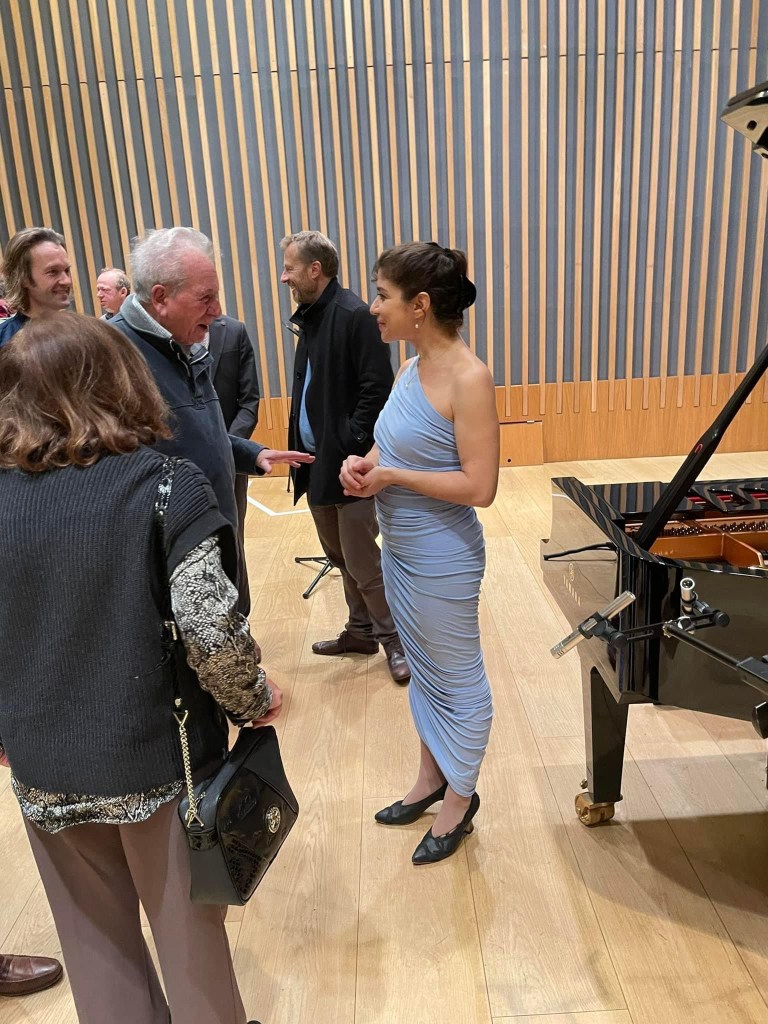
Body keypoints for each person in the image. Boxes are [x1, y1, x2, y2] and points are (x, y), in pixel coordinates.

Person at [0, 312, 275, 1024]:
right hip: (157, 761)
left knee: (95, 949)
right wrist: (254, 699)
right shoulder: (167, 486)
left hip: (42, 763)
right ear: (122, 382)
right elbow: (211, 629)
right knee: (192, 951)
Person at [340, 242, 499, 864]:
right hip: (402, 550)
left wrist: (392, 477)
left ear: (420, 304)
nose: (373, 306)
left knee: (458, 678)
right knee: (427, 674)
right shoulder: (409, 369)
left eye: (383, 294)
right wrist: (366, 464)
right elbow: (394, 445)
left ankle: (460, 796)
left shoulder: (469, 377)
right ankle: (431, 778)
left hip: (442, 556)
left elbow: (480, 487)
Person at [110, 226, 312, 615]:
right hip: (176, 560)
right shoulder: (112, 355)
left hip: (214, 534)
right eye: (206, 298)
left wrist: (250, 453)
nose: (217, 310)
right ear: (160, 298)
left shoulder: (182, 341)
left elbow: (196, 430)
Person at [280, 230, 409, 684]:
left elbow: (377, 388)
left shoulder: (353, 314)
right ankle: (360, 632)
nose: (284, 277)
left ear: (315, 270)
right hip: (314, 463)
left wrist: (351, 443)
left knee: (362, 560)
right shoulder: (312, 316)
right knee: (339, 556)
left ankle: (395, 641)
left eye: (290, 268)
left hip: (349, 464)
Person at [207, 313, 261, 610]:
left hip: (230, 459)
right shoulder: (159, 334)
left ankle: (241, 620)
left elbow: (249, 401)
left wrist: (226, 446)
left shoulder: (234, 331)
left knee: (233, 541)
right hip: (180, 464)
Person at [0, 227, 71, 346]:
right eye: (53, 272)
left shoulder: (85, 334)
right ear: (23, 278)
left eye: (67, 271)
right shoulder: (4, 341)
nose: (67, 281)